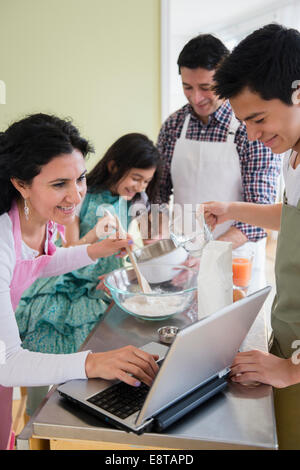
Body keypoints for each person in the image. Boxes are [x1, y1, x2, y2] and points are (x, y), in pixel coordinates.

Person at [0, 114, 159, 450]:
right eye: (59, 184)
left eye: (80, 179)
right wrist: (92, 362)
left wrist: (95, 250)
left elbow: (38, 265)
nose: (75, 196)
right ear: (21, 183)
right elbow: (7, 362)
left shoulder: (35, 218)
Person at [203, 23, 300, 449]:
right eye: (246, 123)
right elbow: (293, 217)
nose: (255, 135)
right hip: (289, 337)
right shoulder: (292, 154)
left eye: (259, 119)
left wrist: (292, 372)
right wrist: (234, 210)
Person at [156, 34, 281, 284]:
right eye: (187, 87)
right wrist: (158, 235)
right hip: (183, 257)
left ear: (224, 78)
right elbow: (158, 192)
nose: (196, 98)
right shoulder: (173, 126)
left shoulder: (252, 127)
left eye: (205, 87)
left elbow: (260, 212)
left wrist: (209, 252)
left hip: (235, 255)